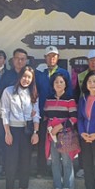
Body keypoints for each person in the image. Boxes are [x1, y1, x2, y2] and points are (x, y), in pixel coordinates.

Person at [1, 65, 40, 189]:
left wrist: (35, 132)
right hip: (13, 129)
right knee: (11, 160)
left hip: (27, 130)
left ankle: (23, 188)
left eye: (29, 77)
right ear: (20, 76)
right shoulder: (8, 91)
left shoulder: (33, 93)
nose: (26, 79)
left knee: (25, 160)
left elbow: (36, 114)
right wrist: (7, 132)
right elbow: (4, 112)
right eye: (24, 76)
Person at [35, 46, 73, 178]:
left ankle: (60, 172)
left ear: (58, 57)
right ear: (45, 57)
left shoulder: (63, 73)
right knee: (43, 142)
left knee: (60, 144)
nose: (51, 58)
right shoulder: (39, 72)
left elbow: (69, 92)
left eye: (54, 56)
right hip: (44, 114)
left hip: (61, 115)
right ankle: (41, 169)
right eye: (49, 56)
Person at [44, 73, 78, 189]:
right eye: (56, 82)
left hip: (66, 134)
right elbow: (46, 116)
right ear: (52, 84)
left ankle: (67, 187)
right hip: (52, 135)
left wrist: (60, 126)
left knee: (67, 161)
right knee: (55, 162)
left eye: (61, 82)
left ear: (66, 84)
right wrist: (50, 128)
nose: (58, 84)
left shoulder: (70, 100)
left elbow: (73, 118)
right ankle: (57, 187)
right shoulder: (48, 99)